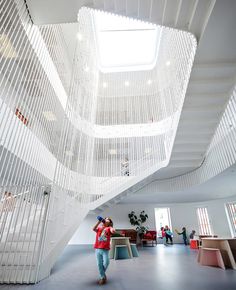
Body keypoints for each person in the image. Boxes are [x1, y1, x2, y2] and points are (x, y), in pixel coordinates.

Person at [93, 216, 115, 285]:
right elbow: (93, 229)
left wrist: (113, 229)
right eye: (105, 219)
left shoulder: (109, 228)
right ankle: (102, 277)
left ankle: (102, 274)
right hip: (97, 248)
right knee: (99, 264)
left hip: (105, 249)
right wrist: (99, 221)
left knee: (106, 262)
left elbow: (112, 230)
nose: (106, 220)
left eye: (108, 219)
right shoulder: (99, 228)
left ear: (110, 223)